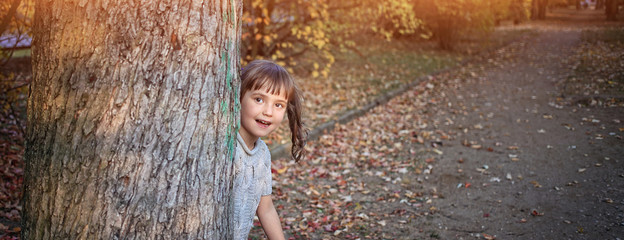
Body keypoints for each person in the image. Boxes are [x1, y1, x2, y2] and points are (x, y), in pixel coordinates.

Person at [232, 59, 306, 239]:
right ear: (239, 96)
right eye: (259, 99)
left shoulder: (262, 153)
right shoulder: (227, 148)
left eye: (278, 104)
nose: (268, 112)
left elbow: (265, 208)